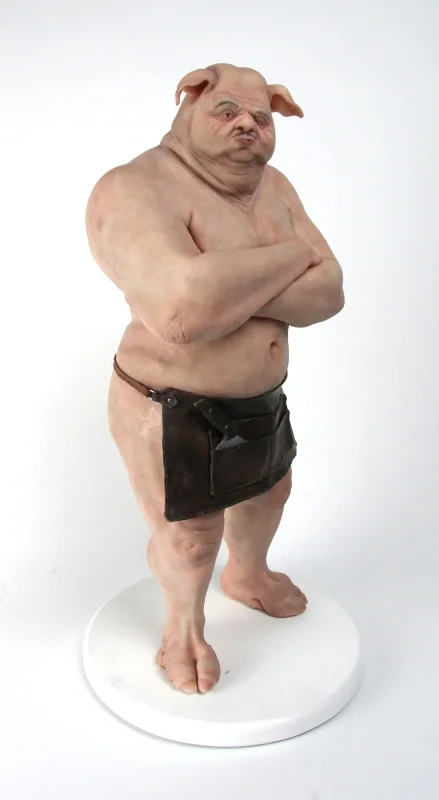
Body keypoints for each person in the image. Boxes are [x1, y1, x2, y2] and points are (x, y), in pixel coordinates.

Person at [85, 63, 345, 695]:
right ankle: (182, 630)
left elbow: (330, 292)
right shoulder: (133, 187)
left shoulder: (274, 186)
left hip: (261, 398)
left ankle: (248, 575)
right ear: (190, 99)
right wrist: (294, 257)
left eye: (261, 117)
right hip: (169, 402)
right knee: (192, 540)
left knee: (270, 495)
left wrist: (227, 286)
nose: (246, 125)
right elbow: (183, 311)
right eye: (227, 110)